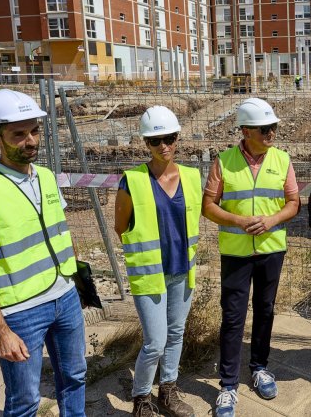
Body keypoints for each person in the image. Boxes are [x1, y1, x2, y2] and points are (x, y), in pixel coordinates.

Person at [0, 89, 86, 417]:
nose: (30, 141)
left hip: (65, 298)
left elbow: (55, 235)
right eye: (18, 134)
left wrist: (74, 284)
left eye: (34, 131)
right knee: (25, 402)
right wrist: (1, 331)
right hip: (21, 312)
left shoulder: (46, 177)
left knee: (75, 378)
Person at [202, 97, 300, 417]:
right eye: (264, 128)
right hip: (236, 252)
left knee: (266, 310)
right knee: (232, 317)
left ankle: (259, 367)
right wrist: (240, 221)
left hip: (271, 249)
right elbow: (209, 206)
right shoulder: (223, 161)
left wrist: (271, 221)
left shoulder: (282, 160)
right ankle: (228, 385)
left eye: (273, 127)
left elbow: (293, 203)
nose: (272, 132)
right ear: (245, 131)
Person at [114, 106, 200, 417]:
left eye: (169, 138)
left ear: (178, 138)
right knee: (155, 342)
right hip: (150, 275)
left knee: (176, 334)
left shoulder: (191, 177)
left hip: (182, 272)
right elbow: (121, 226)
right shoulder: (133, 181)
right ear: (146, 143)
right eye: (155, 141)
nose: (163, 146)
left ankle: (168, 391)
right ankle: (141, 400)